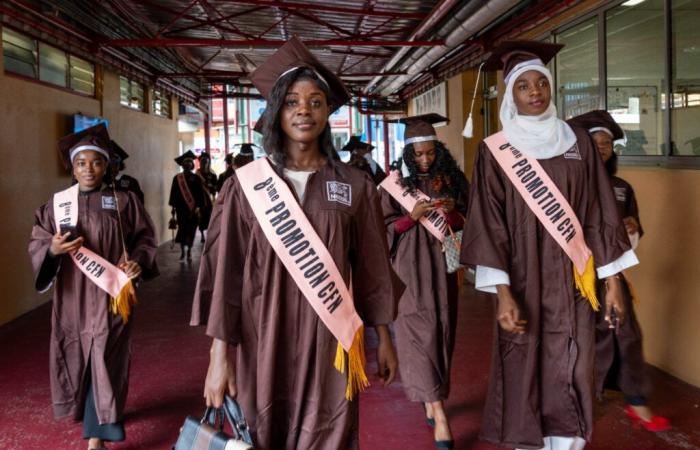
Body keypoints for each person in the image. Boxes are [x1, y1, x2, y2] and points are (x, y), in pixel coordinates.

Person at [191, 36, 401, 450]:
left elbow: (374, 268)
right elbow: (225, 273)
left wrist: (385, 339)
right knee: (263, 429)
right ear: (276, 113)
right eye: (291, 102)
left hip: (331, 342)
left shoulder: (355, 186)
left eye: (316, 102)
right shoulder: (245, 187)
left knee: (331, 433)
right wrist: (219, 357)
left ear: (327, 113)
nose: (304, 110)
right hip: (261, 335)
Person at [460, 41, 638, 450]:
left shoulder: (576, 142)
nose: (536, 91)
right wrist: (502, 292)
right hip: (523, 279)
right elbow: (490, 223)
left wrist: (613, 282)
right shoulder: (495, 152)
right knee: (524, 362)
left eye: (542, 83)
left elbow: (599, 209)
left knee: (575, 362)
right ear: (511, 96)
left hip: (577, 280)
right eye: (524, 86)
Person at [28, 123, 158, 450]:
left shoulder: (125, 201)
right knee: (75, 354)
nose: (89, 169)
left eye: (97, 162)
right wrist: (53, 249)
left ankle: (96, 437)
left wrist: (137, 262)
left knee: (105, 355)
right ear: (72, 168)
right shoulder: (58, 205)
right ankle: (98, 415)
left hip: (110, 295)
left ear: (107, 165)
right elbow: (39, 240)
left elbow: (144, 238)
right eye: (81, 163)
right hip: (72, 296)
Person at [567, 110, 670, 432]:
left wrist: (633, 228)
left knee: (627, 332)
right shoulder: (573, 185)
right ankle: (585, 398)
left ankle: (636, 399)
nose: (602, 148)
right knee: (590, 337)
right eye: (595, 143)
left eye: (607, 143)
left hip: (615, 273)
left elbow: (634, 234)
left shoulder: (622, 187)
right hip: (580, 276)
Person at [379, 113, 469, 449]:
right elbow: (381, 230)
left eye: (430, 152)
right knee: (418, 334)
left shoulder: (451, 181)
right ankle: (439, 414)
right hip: (410, 269)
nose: (425, 159)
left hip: (443, 268)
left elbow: (466, 219)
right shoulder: (396, 186)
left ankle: (431, 397)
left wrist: (452, 213)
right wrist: (410, 218)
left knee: (441, 331)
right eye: (418, 154)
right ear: (408, 155)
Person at [168, 150, 206, 260]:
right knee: (183, 230)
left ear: (192, 164)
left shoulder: (196, 178)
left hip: (193, 210)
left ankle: (189, 250)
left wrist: (199, 207)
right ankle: (182, 251)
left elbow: (200, 194)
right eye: (186, 162)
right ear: (182, 165)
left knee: (191, 230)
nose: (188, 164)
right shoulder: (177, 178)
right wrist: (173, 208)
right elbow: (173, 193)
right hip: (181, 209)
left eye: (190, 162)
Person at [108, 140, 145, 204]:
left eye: (116, 163)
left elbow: (139, 206)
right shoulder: (100, 183)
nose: (113, 167)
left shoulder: (131, 183)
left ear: (120, 165)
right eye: (110, 163)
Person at [197, 152, 217, 243]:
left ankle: (209, 234)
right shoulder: (196, 175)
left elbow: (215, 187)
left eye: (206, 162)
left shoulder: (212, 175)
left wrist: (211, 186)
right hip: (200, 200)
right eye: (203, 162)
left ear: (209, 163)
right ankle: (202, 235)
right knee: (201, 218)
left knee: (210, 218)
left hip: (209, 200)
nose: (204, 164)